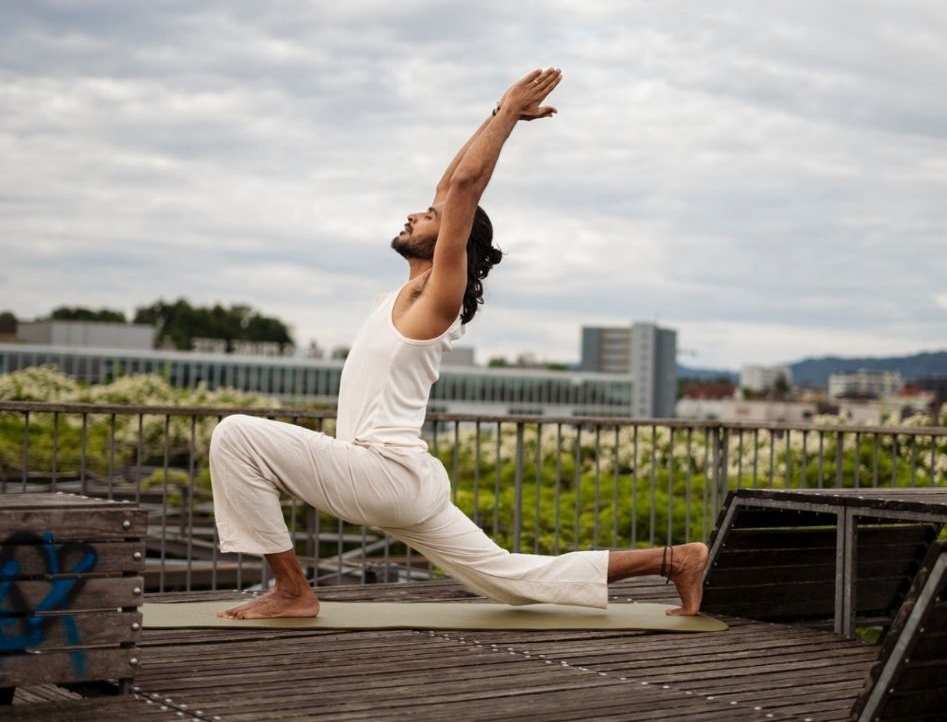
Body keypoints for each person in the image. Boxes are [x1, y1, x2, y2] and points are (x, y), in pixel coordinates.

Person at [209, 68, 709, 620]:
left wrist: (511, 116)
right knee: (511, 581)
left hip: (383, 473)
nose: (415, 212)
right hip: (402, 480)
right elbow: (452, 188)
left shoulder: (437, 296)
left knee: (236, 436)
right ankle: (675, 559)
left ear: (454, 241)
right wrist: (502, 111)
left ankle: (292, 591)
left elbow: (465, 190)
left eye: (428, 218)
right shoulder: (410, 291)